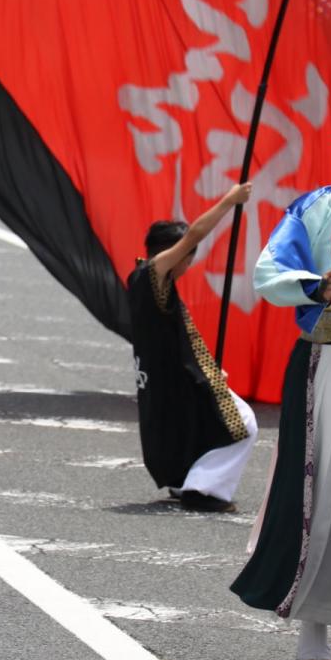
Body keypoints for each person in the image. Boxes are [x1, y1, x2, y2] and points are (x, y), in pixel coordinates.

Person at [232, 105, 331, 660]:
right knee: (326, 493)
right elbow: (270, 273)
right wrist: (318, 284)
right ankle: (313, 624)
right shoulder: (315, 209)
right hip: (329, 358)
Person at [129, 184, 258, 513]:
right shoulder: (153, 274)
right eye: (189, 256)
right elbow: (195, 234)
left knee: (191, 428)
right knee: (242, 423)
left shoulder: (141, 279)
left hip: (164, 378)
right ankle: (204, 490)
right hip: (175, 380)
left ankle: (185, 479)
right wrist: (230, 200)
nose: (189, 262)